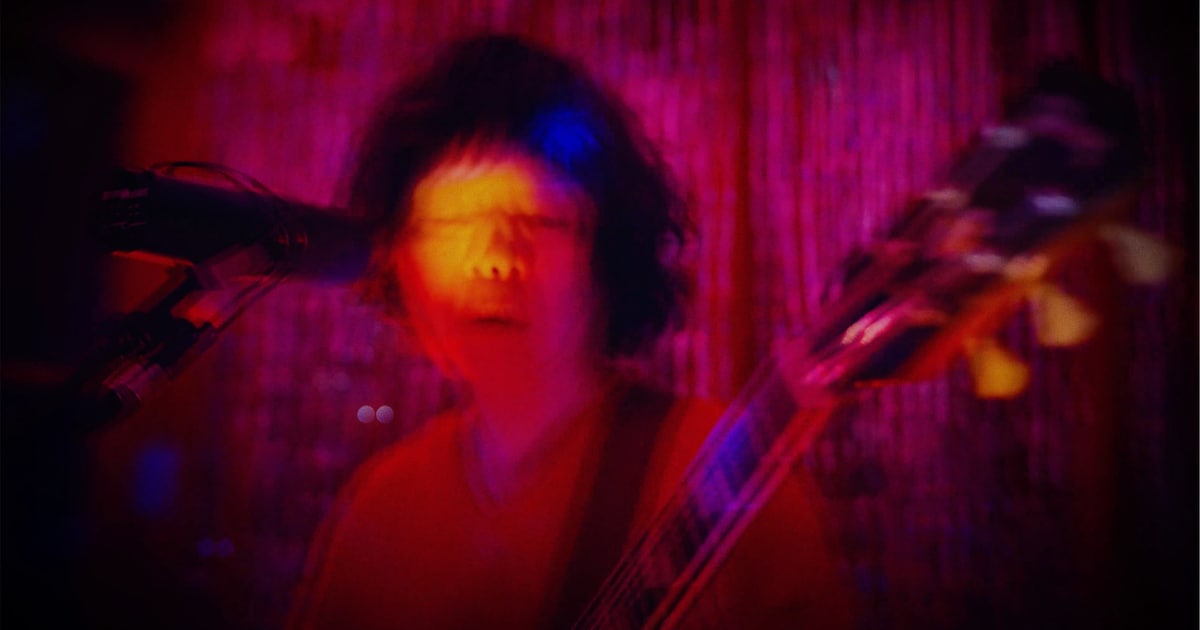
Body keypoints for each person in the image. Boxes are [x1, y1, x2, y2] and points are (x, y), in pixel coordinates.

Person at [288, 33, 855, 629]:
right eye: (453, 222)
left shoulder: (726, 477)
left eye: (538, 220)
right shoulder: (381, 508)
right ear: (400, 260)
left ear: (603, 258)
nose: (493, 260)